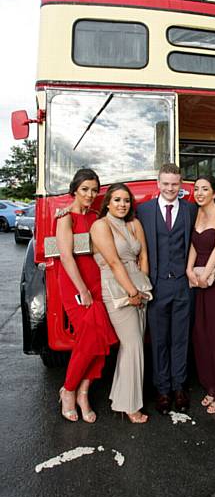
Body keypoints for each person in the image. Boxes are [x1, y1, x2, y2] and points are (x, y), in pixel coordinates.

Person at [55, 169, 117, 423]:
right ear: (74, 190)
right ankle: (68, 390)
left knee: (99, 340)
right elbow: (66, 257)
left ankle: (83, 392)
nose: (90, 195)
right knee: (88, 339)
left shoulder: (95, 217)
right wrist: (82, 289)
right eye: (85, 190)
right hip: (75, 284)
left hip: (97, 281)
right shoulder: (64, 218)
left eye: (94, 190)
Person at [137, 163, 197, 414]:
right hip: (157, 284)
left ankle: (179, 387)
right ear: (158, 184)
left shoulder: (191, 210)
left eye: (175, 184)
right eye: (166, 183)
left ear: (180, 184)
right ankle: (162, 390)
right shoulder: (143, 210)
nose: (171, 188)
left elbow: (210, 233)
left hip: (183, 284)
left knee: (181, 339)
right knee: (159, 340)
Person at [91, 183, 150, 424]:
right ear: (107, 203)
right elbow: (114, 262)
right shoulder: (100, 226)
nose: (122, 204)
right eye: (116, 200)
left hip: (141, 288)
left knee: (132, 348)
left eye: (126, 200)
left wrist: (143, 286)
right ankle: (130, 406)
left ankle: (120, 397)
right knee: (133, 345)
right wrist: (132, 291)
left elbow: (143, 255)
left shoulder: (134, 224)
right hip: (118, 290)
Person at [186, 176, 215, 414]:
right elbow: (194, 243)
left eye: (205, 189)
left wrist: (206, 274)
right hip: (197, 277)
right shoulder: (196, 212)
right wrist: (189, 269)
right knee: (200, 332)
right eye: (196, 189)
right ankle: (211, 386)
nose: (199, 192)